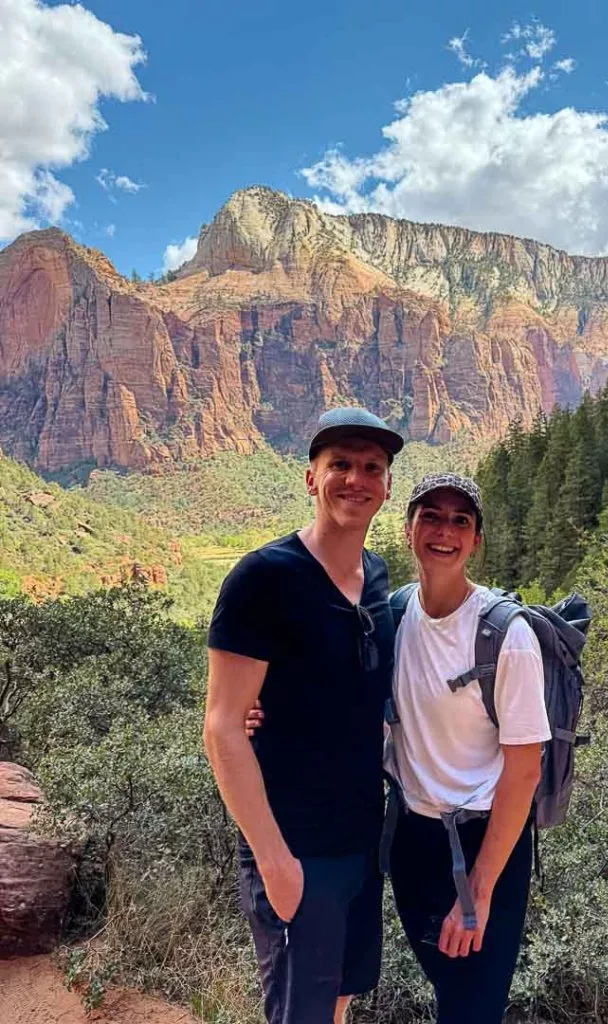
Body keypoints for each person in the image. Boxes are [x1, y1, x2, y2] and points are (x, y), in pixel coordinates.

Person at [248, 472, 550, 1024]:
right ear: (409, 528)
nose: (445, 531)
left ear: (477, 539)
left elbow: (524, 771)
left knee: (470, 1008)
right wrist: (261, 708)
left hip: (484, 847)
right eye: (431, 516)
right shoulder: (396, 611)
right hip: (412, 839)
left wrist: (478, 892)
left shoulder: (508, 636)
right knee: (443, 983)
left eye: (461, 520)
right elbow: (342, 688)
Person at [203, 406, 404, 1024]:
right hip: (296, 847)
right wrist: (273, 860)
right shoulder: (263, 579)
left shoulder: (377, 577)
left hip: (360, 842)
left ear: (387, 486)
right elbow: (221, 728)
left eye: (371, 467)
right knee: (299, 1013)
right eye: (339, 464)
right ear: (310, 478)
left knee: (339, 1000)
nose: (356, 479)